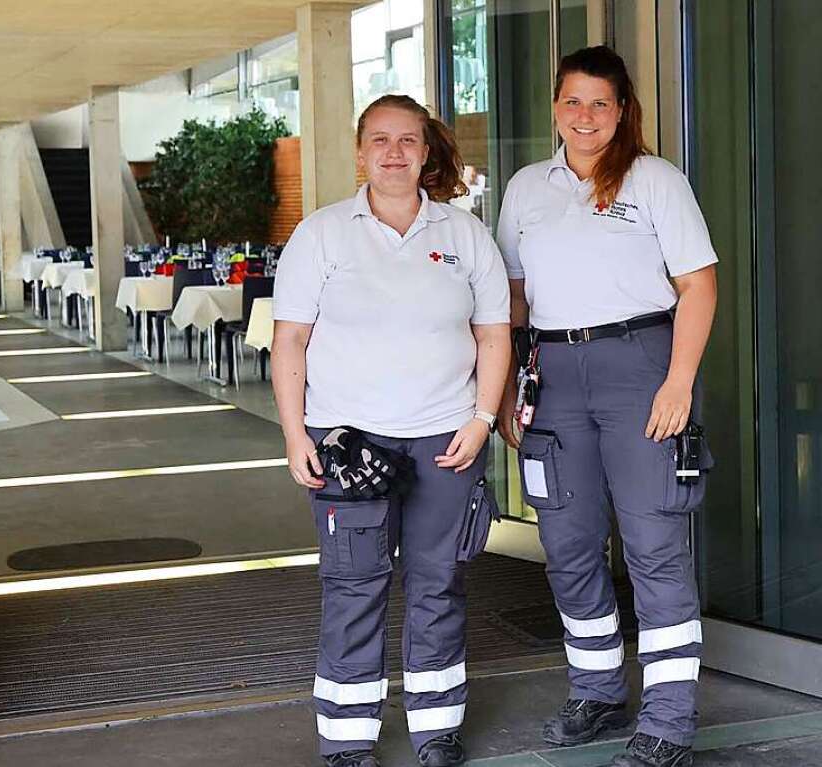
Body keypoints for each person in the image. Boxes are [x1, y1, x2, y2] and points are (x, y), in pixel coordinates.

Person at [271, 94, 511, 767]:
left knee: (438, 582)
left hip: (445, 440)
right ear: (358, 150)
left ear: (427, 150)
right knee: (355, 584)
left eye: (407, 140)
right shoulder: (320, 233)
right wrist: (295, 434)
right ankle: (348, 741)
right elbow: (289, 339)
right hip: (348, 444)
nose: (394, 153)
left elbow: (493, 333)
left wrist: (482, 418)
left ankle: (435, 730)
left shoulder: (464, 235)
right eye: (380, 139)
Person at [495, 46, 717, 767]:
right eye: (571, 101)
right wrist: (501, 390)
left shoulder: (654, 180)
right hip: (551, 373)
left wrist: (679, 381)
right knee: (565, 542)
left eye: (599, 102)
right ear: (554, 108)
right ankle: (595, 688)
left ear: (622, 110)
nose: (583, 116)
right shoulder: (527, 187)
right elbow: (512, 299)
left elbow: (698, 284)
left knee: (652, 544)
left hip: (640, 367)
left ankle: (668, 719)